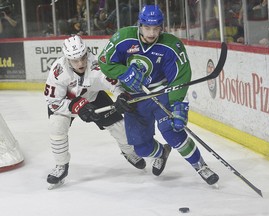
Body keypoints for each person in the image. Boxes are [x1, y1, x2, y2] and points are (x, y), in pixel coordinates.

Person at [97, 5, 219, 185]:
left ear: (162, 27)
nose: (151, 33)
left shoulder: (171, 45)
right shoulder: (123, 38)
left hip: (162, 94)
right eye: (147, 28)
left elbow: (180, 76)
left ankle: (200, 166)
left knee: (174, 134)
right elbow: (104, 62)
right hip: (135, 99)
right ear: (140, 25)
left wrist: (178, 105)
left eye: (156, 28)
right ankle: (162, 152)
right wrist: (124, 73)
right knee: (141, 148)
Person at [44, 35, 146, 189]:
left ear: (87, 52)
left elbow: (114, 84)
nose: (81, 63)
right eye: (75, 60)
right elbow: (53, 103)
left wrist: (122, 96)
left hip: (93, 97)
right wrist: (77, 106)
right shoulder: (58, 71)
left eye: (83, 57)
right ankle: (61, 166)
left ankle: (128, 152)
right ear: (67, 59)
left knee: (120, 126)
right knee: (56, 127)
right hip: (66, 103)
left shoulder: (96, 64)